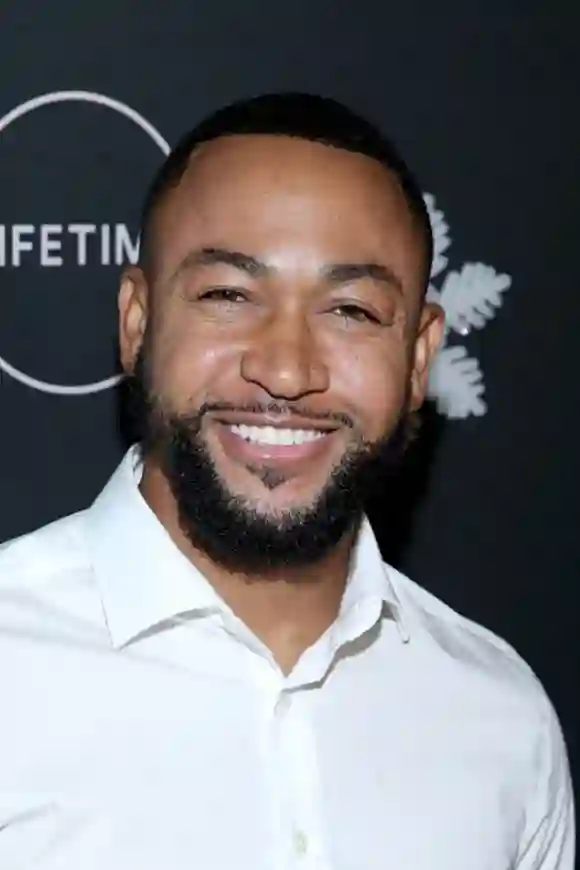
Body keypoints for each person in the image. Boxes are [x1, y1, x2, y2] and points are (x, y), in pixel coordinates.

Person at [0, 93, 573, 869]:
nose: (286, 369)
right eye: (228, 296)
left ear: (417, 355)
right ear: (137, 321)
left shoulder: (504, 720)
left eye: (351, 311)